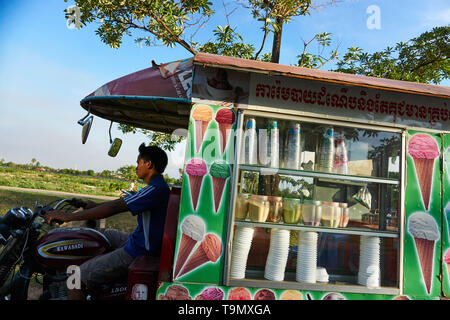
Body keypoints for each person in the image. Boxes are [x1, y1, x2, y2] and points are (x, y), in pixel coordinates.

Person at [44, 143, 170, 300]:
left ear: (148, 164)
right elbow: (119, 202)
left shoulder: (155, 190)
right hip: (138, 240)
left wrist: (68, 217)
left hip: (140, 250)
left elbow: (116, 207)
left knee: (75, 277)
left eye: (138, 162)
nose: (136, 166)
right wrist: (92, 205)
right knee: (98, 234)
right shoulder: (156, 187)